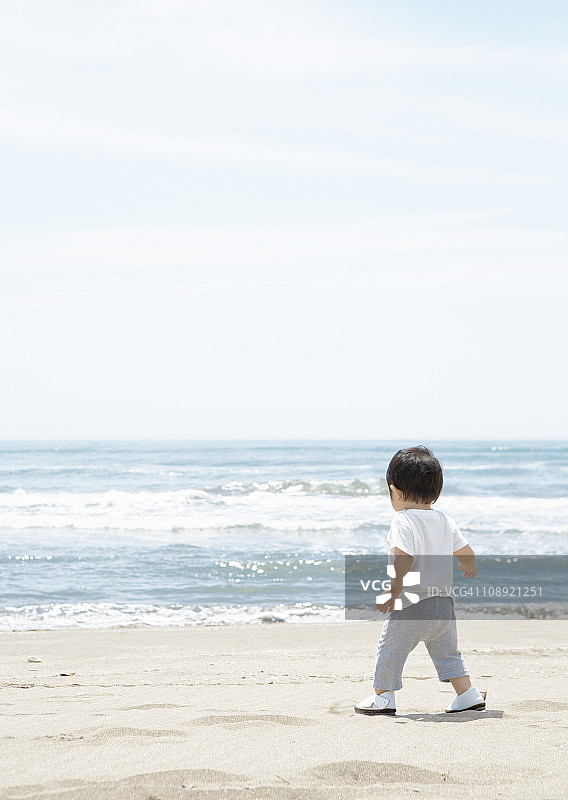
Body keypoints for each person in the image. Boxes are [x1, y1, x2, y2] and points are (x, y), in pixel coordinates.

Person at [355, 446, 487, 715]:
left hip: (412, 606)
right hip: (444, 607)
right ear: (437, 493)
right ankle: (468, 695)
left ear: (396, 491)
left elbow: (403, 559)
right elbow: (465, 551)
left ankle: (383, 697)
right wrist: (468, 565)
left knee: (390, 649)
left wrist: (393, 592)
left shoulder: (402, 521)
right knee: (448, 653)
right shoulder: (444, 519)